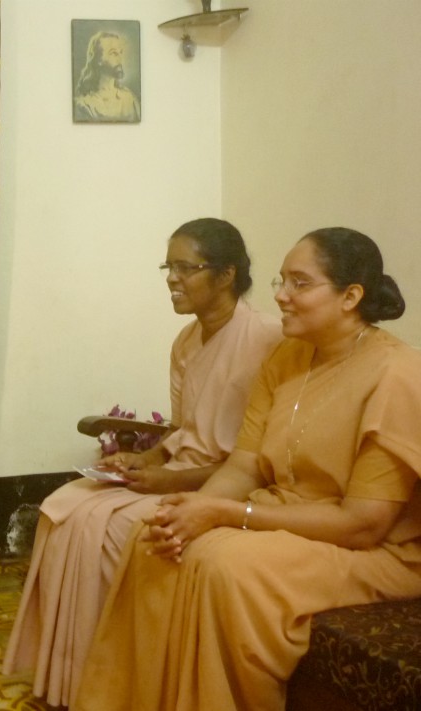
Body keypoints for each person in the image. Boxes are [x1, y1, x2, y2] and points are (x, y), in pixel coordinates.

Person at [76, 228, 421, 711]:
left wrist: (223, 514)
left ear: (351, 296)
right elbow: (244, 464)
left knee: (222, 565)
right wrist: (192, 508)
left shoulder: (398, 374)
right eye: (282, 280)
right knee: (154, 538)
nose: (280, 295)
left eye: (300, 284)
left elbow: (364, 524)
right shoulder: (287, 356)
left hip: (374, 549)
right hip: (289, 515)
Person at [3, 218, 282, 709]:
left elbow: (249, 459)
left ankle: (126, 677)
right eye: (167, 267)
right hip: (177, 470)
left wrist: (166, 479)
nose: (172, 279)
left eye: (185, 267)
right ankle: (73, 673)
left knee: (112, 527)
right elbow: (182, 428)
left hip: (225, 485)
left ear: (226, 275)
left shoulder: (268, 337)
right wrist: (144, 458)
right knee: (62, 509)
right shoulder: (184, 342)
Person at [74, 30, 141, 122]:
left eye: (120, 52)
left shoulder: (129, 99)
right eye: (113, 53)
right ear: (98, 59)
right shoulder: (85, 105)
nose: (120, 59)